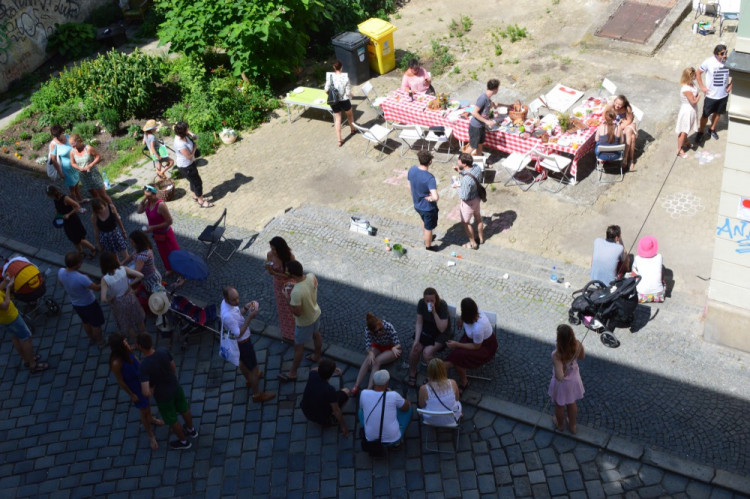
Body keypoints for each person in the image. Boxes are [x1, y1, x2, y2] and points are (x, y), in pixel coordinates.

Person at [136, 332, 198, 450]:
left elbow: (146, 392)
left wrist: (153, 388)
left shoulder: (144, 367)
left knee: (172, 419)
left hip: (163, 396)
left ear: (140, 346)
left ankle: (184, 442)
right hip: (175, 386)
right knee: (184, 408)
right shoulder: (163, 351)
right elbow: (173, 367)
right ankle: (191, 430)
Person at [109, 333, 165, 450]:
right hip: (134, 387)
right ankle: (150, 435)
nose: (126, 342)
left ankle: (151, 418)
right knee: (143, 410)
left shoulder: (127, 350)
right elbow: (120, 381)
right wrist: (132, 394)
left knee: (147, 403)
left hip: (141, 380)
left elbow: (135, 359)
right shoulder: (116, 363)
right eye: (123, 341)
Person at [220, 286, 276, 403]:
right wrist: (250, 317)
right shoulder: (227, 316)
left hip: (238, 344)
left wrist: (245, 309)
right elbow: (239, 333)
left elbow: (237, 314)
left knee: (243, 362)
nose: (237, 301)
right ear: (226, 298)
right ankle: (257, 394)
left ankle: (249, 380)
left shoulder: (226, 304)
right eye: (234, 300)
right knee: (254, 370)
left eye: (237, 298)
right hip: (243, 343)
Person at [278, 261, 323, 382]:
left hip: (304, 322)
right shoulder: (311, 276)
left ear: (292, 275)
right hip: (316, 313)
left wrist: (287, 298)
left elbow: (297, 312)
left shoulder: (296, 292)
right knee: (316, 334)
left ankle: (292, 372)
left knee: (298, 347)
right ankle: (317, 355)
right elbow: (311, 287)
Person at [445, 297, 498, 395]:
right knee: (456, 357)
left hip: (484, 347)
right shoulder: (473, 311)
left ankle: (460, 381)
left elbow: (476, 347)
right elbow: (465, 313)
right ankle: (443, 376)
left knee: (457, 359)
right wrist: (461, 320)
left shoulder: (478, 327)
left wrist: (457, 344)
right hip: (472, 340)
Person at [0, 274, 48, 372]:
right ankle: (33, 365)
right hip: (11, 317)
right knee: (27, 338)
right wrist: (8, 288)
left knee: (15, 336)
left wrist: (4, 282)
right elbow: (5, 305)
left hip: (4, 320)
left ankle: (26, 359)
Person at [406, 287, 451, 388]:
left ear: (436, 299)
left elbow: (442, 329)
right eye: (427, 300)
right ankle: (413, 371)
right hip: (427, 328)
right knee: (415, 349)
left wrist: (434, 312)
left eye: (432, 300)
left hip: (440, 332)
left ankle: (433, 375)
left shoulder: (442, 305)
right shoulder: (421, 303)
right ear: (424, 299)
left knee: (427, 353)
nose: (429, 302)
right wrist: (416, 341)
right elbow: (419, 323)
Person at [58, 251, 104, 346]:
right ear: (77, 265)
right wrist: (105, 281)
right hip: (89, 303)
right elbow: (96, 288)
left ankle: (91, 338)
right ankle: (100, 341)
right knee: (96, 324)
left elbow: (61, 284)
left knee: (85, 322)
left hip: (76, 304)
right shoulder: (81, 278)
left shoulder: (61, 272)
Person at [351, 312, 402, 396]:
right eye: (376, 332)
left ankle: (369, 388)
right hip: (378, 346)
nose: (379, 333)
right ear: (371, 331)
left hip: (391, 348)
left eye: (380, 329)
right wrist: (370, 353)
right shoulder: (367, 330)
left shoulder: (388, 326)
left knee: (377, 361)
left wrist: (394, 348)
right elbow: (368, 344)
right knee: (368, 359)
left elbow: (398, 344)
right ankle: (356, 385)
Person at [138, 185, 182, 280]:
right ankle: (169, 268)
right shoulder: (148, 202)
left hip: (166, 233)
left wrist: (153, 227)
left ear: (155, 194)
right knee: (163, 252)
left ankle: (182, 272)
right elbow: (139, 211)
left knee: (174, 252)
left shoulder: (161, 205)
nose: (148, 198)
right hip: (157, 235)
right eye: (146, 196)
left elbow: (169, 221)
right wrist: (144, 199)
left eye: (149, 196)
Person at [99, 251, 146, 339]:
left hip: (119, 303)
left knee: (128, 325)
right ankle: (143, 338)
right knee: (139, 320)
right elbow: (141, 275)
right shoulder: (123, 269)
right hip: (130, 296)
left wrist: (111, 298)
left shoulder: (104, 279)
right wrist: (130, 285)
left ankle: (136, 343)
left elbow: (103, 299)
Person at [358, 370, 412, 447]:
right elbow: (406, 407)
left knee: (360, 411)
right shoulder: (393, 395)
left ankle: (369, 427)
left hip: (370, 438)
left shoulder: (364, 393)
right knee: (409, 410)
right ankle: (397, 443)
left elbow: (362, 408)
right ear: (387, 383)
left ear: (373, 381)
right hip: (393, 438)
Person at [548, 324, 585, 434]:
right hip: (574, 380)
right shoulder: (577, 344)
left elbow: (560, 376)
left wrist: (562, 368)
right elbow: (582, 357)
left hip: (562, 385)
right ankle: (572, 426)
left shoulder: (557, 354)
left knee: (559, 405)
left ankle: (560, 425)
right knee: (572, 403)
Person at [301, 359, 350, 436]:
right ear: (330, 374)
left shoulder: (312, 375)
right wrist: (344, 427)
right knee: (346, 391)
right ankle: (330, 418)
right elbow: (336, 410)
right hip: (321, 416)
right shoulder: (329, 390)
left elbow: (314, 369)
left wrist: (328, 369)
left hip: (306, 410)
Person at [46, 185, 96, 258]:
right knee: (72, 238)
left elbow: (77, 206)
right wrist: (57, 215)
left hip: (72, 220)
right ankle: (81, 252)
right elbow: (57, 208)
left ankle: (93, 249)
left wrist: (68, 214)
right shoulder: (55, 199)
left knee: (78, 239)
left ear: (54, 193)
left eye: (50, 195)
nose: (50, 197)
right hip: (65, 221)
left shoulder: (65, 198)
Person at [173, 122, 213, 208]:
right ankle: (201, 202)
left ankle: (195, 196)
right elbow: (189, 156)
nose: (188, 130)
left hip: (189, 164)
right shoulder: (180, 144)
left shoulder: (181, 134)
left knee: (193, 181)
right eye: (187, 129)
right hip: (186, 166)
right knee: (197, 183)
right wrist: (195, 147)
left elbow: (187, 132)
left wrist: (192, 134)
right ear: (182, 132)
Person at [697, 44, 731, 143]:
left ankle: (712, 129)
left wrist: (731, 85)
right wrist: (702, 87)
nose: (725, 55)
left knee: (718, 113)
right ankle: (700, 132)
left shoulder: (728, 61)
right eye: (722, 53)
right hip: (711, 96)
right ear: (716, 54)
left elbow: (735, 71)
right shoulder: (709, 62)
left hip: (723, 95)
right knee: (705, 115)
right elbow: (698, 72)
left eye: (726, 53)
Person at [265, 236, 296, 344]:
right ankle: (287, 333)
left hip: (289, 285)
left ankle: (297, 332)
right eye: (271, 248)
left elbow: (292, 273)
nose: (272, 251)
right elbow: (269, 269)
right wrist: (271, 271)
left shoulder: (289, 256)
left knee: (292, 308)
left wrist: (275, 273)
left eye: (274, 249)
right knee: (282, 309)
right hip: (278, 285)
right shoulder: (270, 255)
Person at [407, 150, 439, 251]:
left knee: (423, 220)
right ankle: (428, 246)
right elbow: (435, 197)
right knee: (429, 227)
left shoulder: (412, 169)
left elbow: (409, 185)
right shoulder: (430, 178)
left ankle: (426, 236)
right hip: (427, 207)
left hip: (417, 204)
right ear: (430, 162)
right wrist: (431, 198)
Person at [69, 133, 113, 205]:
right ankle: (102, 208)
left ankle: (113, 209)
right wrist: (79, 168)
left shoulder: (88, 148)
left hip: (93, 174)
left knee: (103, 195)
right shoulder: (72, 151)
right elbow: (72, 163)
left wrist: (90, 165)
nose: (72, 146)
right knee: (94, 196)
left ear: (79, 141)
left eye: (73, 144)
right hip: (84, 177)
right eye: (70, 144)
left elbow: (98, 156)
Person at [454, 153, 484, 250]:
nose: (457, 161)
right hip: (477, 198)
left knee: (466, 223)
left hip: (469, 203)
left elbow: (464, 196)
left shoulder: (466, 180)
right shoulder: (477, 167)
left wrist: (457, 187)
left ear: (464, 164)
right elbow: (473, 176)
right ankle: (481, 238)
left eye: (459, 160)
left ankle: (473, 243)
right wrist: (460, 172)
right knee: (478, 218)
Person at [418, 358, 462, 425]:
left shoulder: (423, 389)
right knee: (457, 403)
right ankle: (460, 415)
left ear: (429, 372)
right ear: (443, 370)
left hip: (431, 420)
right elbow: (457, 399)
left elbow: (422, 405)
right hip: (451, 420)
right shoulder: (453, 383)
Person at [48, 124, 83, 207]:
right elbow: (54, 160)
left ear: (62, 132)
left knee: (77, 184)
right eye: (55, 136)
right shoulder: (54, 144)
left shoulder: (67, 137)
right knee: (72, 188)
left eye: (58, 134)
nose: (57, 137)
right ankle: (76, 205)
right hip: (66, 169)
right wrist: (60, 173)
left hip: (74, 166)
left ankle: (80, 200)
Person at [324, 61, 356, 147]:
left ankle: (339, 140)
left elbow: (326, 90)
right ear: (341, 67)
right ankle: (352, 130)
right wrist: (351, 94)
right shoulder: (345, 78)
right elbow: (348, 92)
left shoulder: (330, 77)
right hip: (344, 100)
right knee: (350, 115)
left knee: (337, 120)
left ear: (334, 68)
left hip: (334, 102)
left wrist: (332, 96)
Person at [603, 95, 637, 171]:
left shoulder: (627, 108)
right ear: (614, 101)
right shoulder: (611, 105)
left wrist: (619, 127)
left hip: (628, 123)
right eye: (616, 103)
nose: (617, 106)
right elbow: (604, 114)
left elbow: (629, 120)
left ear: (623, 105)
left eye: (620, 104)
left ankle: (625, 158)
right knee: (632, 137)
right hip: (619, 123)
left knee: (628, 132)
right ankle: (630, 159)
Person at [91, 197, 129, 262]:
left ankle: (129, 267)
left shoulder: (111, 207)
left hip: (115, 233)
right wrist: (98, 243)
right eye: (97, 210)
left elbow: (118, 219)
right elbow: (96, 230)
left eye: (101, 208)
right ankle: (119, 268)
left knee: (125, 253)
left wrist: (123, 231)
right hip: (106, 237)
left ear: (104, 204)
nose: (100, 211)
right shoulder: (94, 216)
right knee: (114, 257)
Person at [469, 79, 500, 156]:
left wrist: (506, 106)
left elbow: (493, 104)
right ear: (495, 89)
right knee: (472, 147)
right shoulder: (483, 98)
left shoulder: (488, 98)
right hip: (476, 127)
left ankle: (479, 163)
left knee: (480, 145)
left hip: (481, 126)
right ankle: (460, 164)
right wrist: (487, 121)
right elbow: (474, 112)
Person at [631, 235, 665, 303]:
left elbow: (633, 274)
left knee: (634, 270)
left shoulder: (637, 258)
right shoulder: (659, 257)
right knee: (663, 269)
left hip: (641, 295)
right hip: (659, 295)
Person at [676, 67, 700, 158]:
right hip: (687, 111)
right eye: (693, 75)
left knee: (687, 128)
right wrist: (699, 96)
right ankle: (679, 149)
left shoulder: (691, 84)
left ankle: (686, 142)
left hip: (692, 110)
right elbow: (693, 102)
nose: (695, 76)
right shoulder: (686, 88)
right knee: (683, 131)